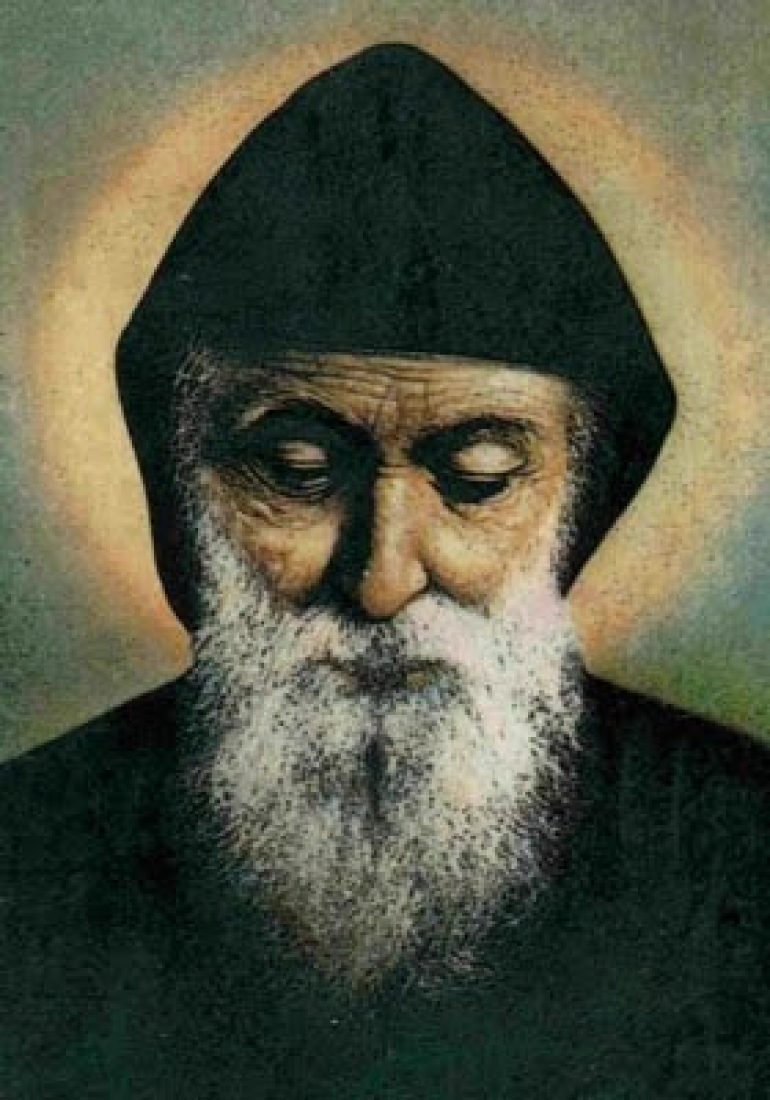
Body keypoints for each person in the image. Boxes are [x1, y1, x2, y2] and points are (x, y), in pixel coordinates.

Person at [1, 43, 769, 1098]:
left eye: (478, 478)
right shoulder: (24, 857)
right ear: (178, 489)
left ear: (580, 500)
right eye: (296, 470)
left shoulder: (742, 854)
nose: (381, 577)